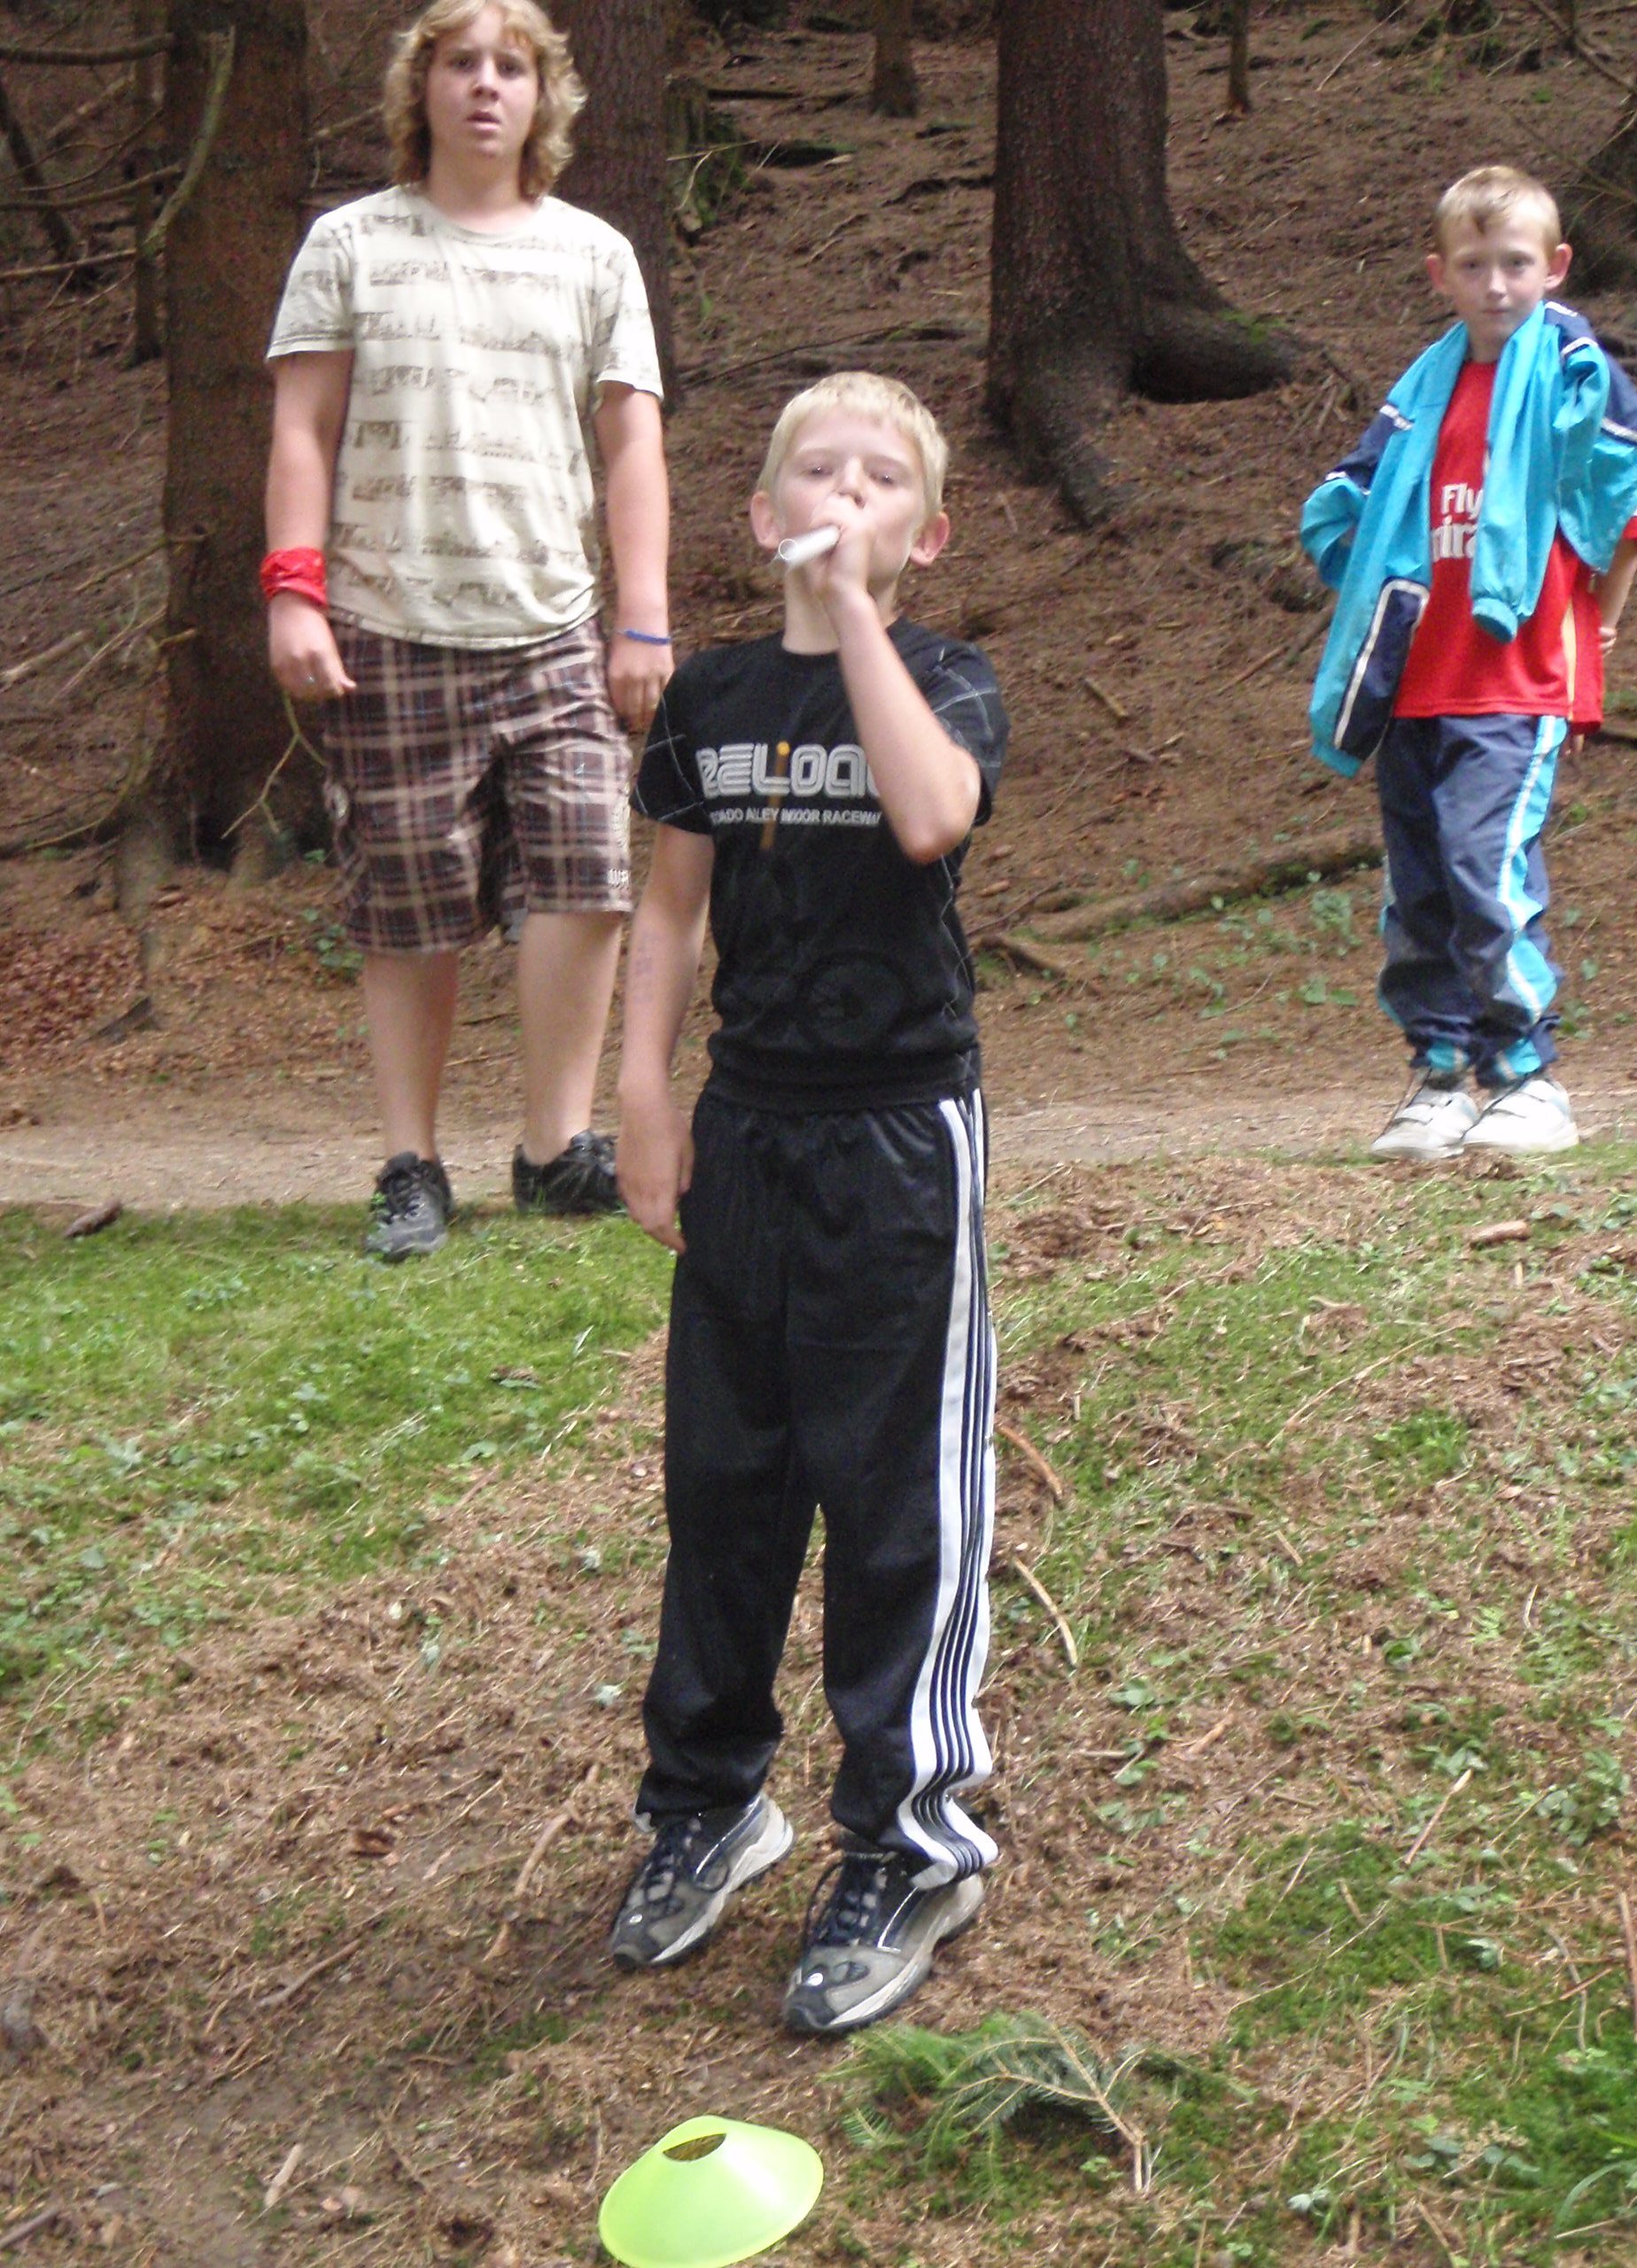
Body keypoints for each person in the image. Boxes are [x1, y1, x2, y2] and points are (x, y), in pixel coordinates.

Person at [609, 372, 1009, 2036]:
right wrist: (643, 1095)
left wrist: (852, 618)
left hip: (899, 1137)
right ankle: (707, 1803)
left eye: (881, 478)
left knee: (894, 1494)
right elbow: (670, 909)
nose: (843, 493)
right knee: (727, 1482)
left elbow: (928, 816)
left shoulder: (944, 678)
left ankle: (913, 1842)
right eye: (814, 472)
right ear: (761, 514)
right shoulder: (706, 695)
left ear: (929, 532)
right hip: (748, 1131)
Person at [263, 0, 670, 1258]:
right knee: (409, 907)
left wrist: (644, 620)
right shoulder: (351, 244)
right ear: (421, 87)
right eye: (460, 64)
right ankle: (411, 1166)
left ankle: (554, 1150)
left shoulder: (595, 254)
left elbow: (632, 444)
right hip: (387, 623)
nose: (485, 86)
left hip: (554, 625)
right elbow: (301, 429)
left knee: (587, 877)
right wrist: (292, 590)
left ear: (543, 95)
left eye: (510, 66)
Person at [1301, 164, 1637, 1162]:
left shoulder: (1566, 380)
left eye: (1515, 263)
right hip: (1418, 685)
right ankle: (1438, 1077)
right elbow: (1361, 509)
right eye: (1474, 265)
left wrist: (1594, 640)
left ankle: (1527, 1076)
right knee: (1420, 888)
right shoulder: (1422, 397)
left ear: (1555, 267)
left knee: (1484, 866)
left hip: (1515, 684)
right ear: (1440, 274)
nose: (1496, 284)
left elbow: (1622, 517)